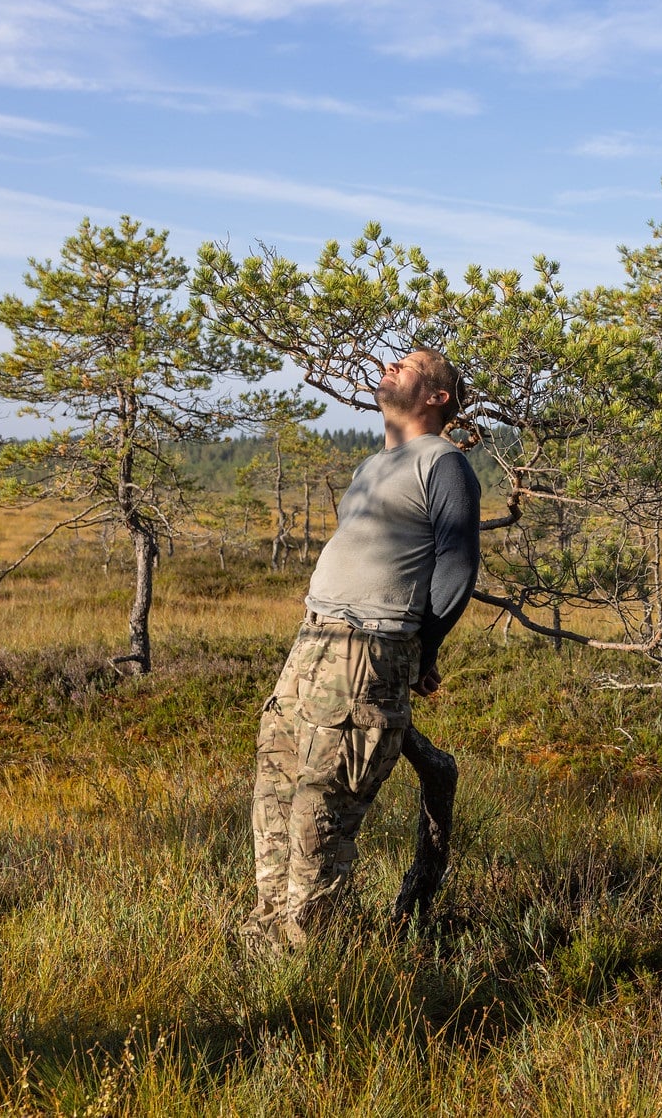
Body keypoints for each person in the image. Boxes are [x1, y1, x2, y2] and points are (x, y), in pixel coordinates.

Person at [245, 349, 480, 949]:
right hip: (312, 641)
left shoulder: (445, 463)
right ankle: (267, 939)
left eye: (409, 364)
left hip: (369, 647)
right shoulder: (374, 466)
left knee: (321, 810)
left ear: (438, 396)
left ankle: (310, 957)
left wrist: (423, 650)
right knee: (275, 791)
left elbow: (456, 566)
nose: (391, 365)